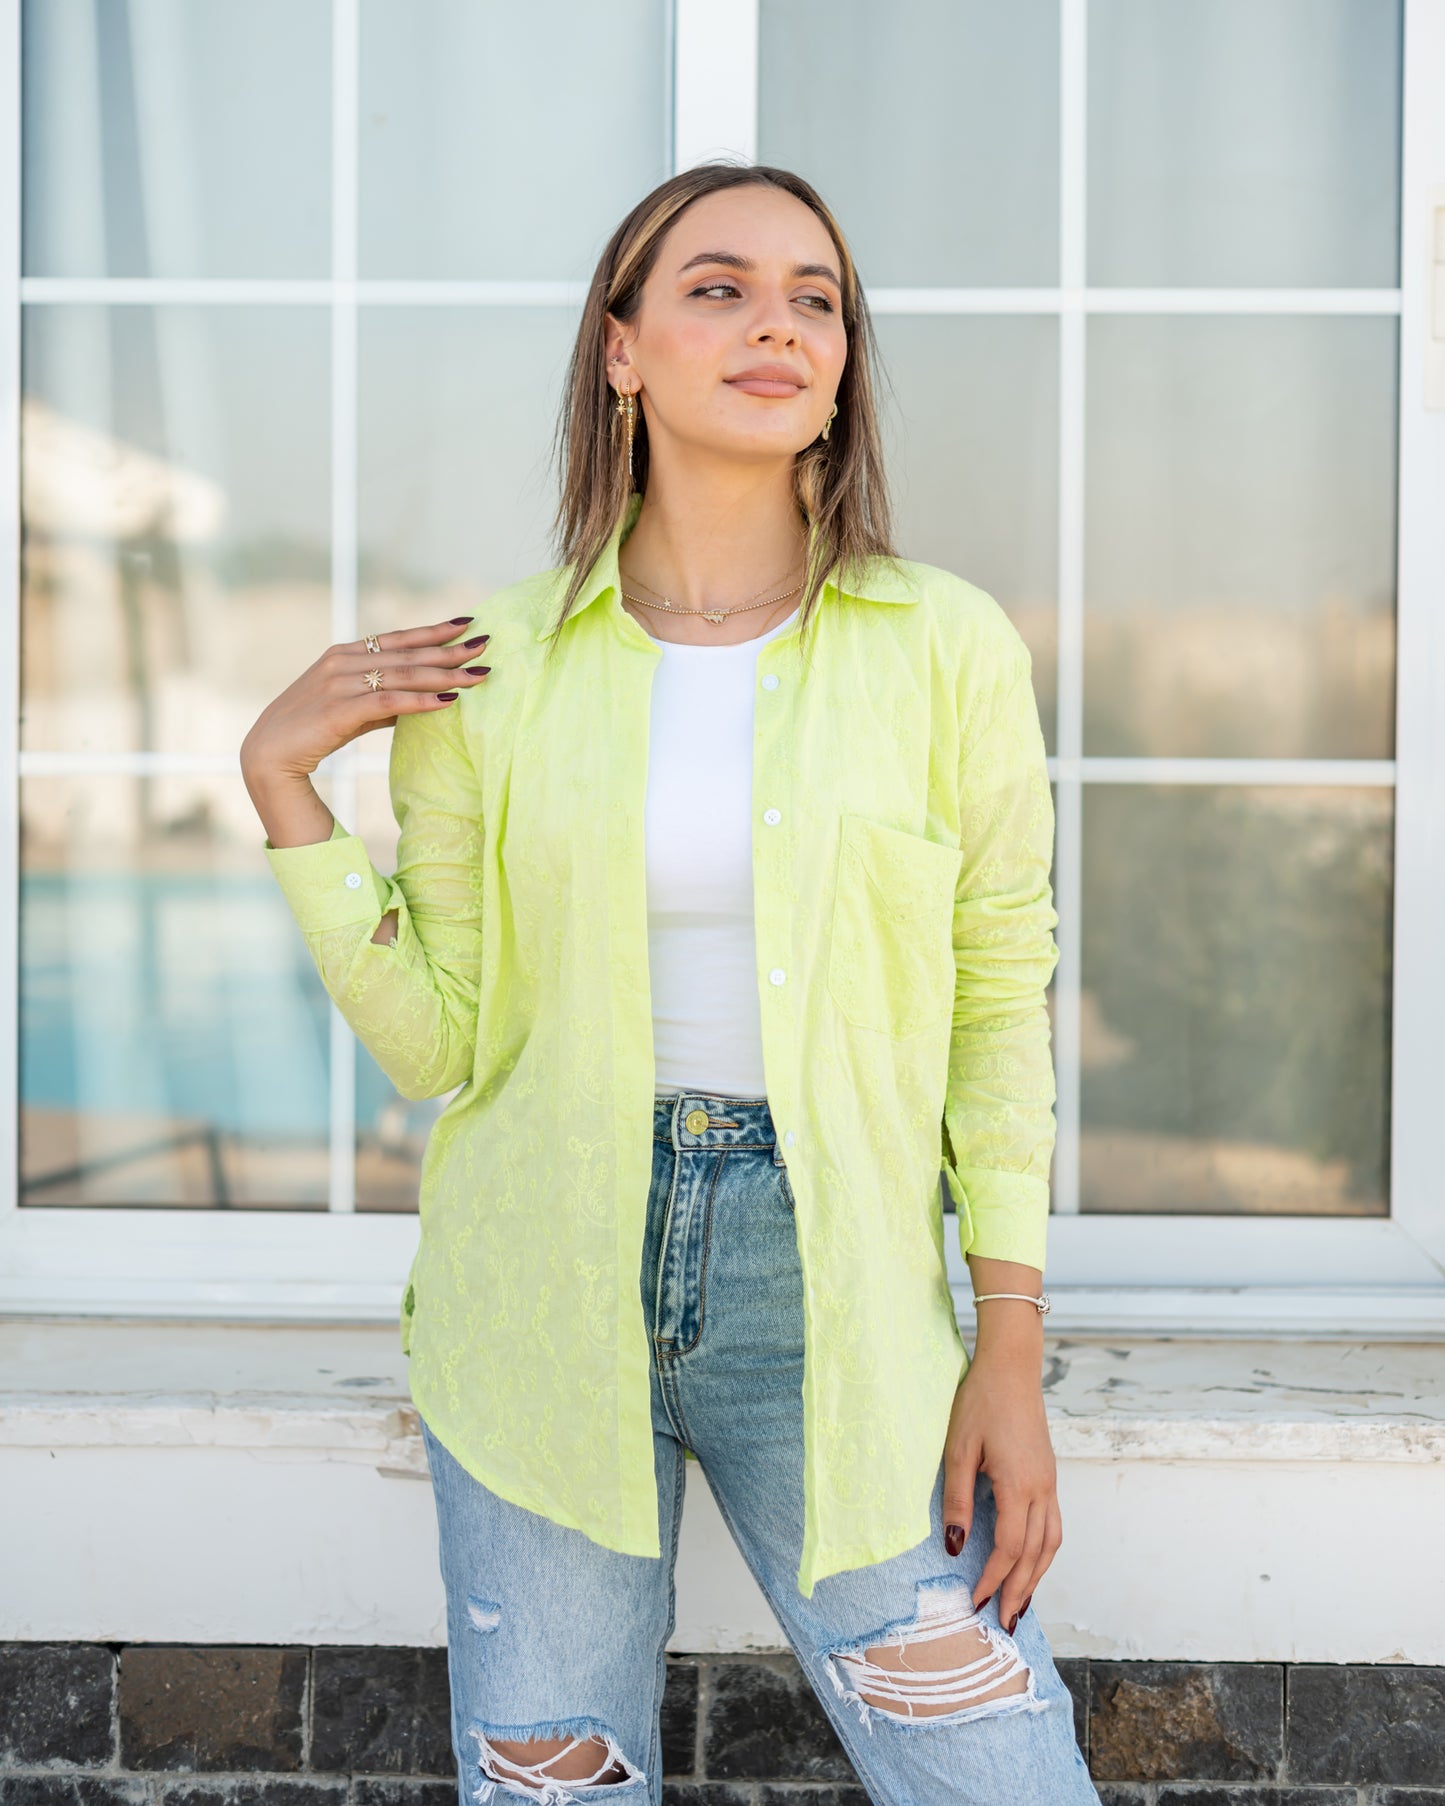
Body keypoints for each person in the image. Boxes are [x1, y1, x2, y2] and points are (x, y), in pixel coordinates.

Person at [242, 162, 1099, 1806]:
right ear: (620, 349)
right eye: (716, 287)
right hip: (537, 1287)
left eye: (815, 298)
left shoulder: (942, 646)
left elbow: (999, 995)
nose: (775, 322)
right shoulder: (487, 669)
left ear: (841, 363)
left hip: (834, 1296)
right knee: (552, 1786)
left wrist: (1006, 1340)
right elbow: (443, 1042)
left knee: (998, 1777)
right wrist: (289, 789)